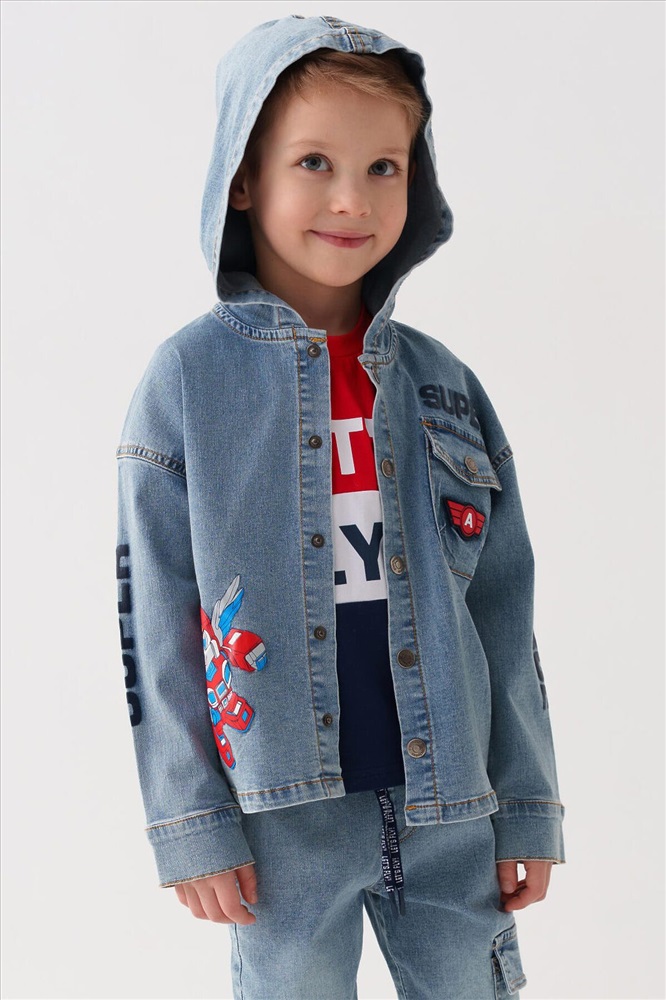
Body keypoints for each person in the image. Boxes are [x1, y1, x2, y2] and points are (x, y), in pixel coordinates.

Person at [115, 14, 566, 999]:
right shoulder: (187, 383)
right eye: (314, 162)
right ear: (243, 177)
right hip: (280, 814)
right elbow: (155, 618)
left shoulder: (445, 384)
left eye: (384, 167)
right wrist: (191, 821)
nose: (352, 199)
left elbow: (504, 609)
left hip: (451, 797)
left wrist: (527, 800)